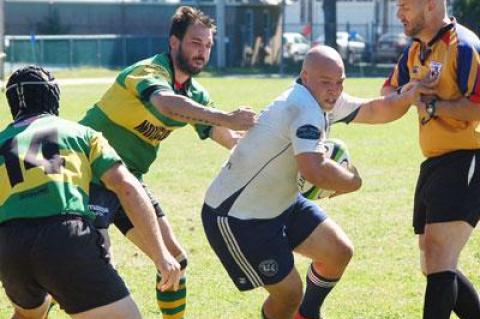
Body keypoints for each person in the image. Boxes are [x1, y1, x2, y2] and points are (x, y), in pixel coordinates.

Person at [200, 45, 431, 319]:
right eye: (326, 83)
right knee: (289, 295)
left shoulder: (322, 98)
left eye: (339, 82)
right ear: (305, 76)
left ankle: (307, 315)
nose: (334, 90)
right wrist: (352, 181)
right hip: (238, 217)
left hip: (281, 203)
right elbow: (314, 170)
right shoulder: (303, 107)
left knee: (337, 252)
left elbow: (372, 109)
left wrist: (406, 98)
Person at [79, 6, 256, 318]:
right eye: (195, 43)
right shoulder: (147, 72)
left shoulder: (194, 93)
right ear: (174, 42)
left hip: (128, 181)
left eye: (208, 46)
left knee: (175, 259)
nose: (203, 52)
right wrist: (227, 116)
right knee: (92, 266)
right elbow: (167, 104)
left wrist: (268, 146)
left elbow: (225, 135)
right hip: (88, 174)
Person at [0, 66, 181, 319]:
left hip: (10, 247)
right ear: (53, 96)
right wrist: (161, 254)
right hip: (64, 238)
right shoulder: (83, 134)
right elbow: (127, 188)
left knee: (30, 312)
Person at [381, 0, 480, 318]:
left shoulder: (463, 46)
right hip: (434, 164)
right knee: (431, 262)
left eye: (405, 6)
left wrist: (432, 106)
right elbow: (388, 92)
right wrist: (412, 94)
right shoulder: (414, 50)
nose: (399, 14)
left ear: (431, 5)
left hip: (467, 158)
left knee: (439, 255)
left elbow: (478, 106)